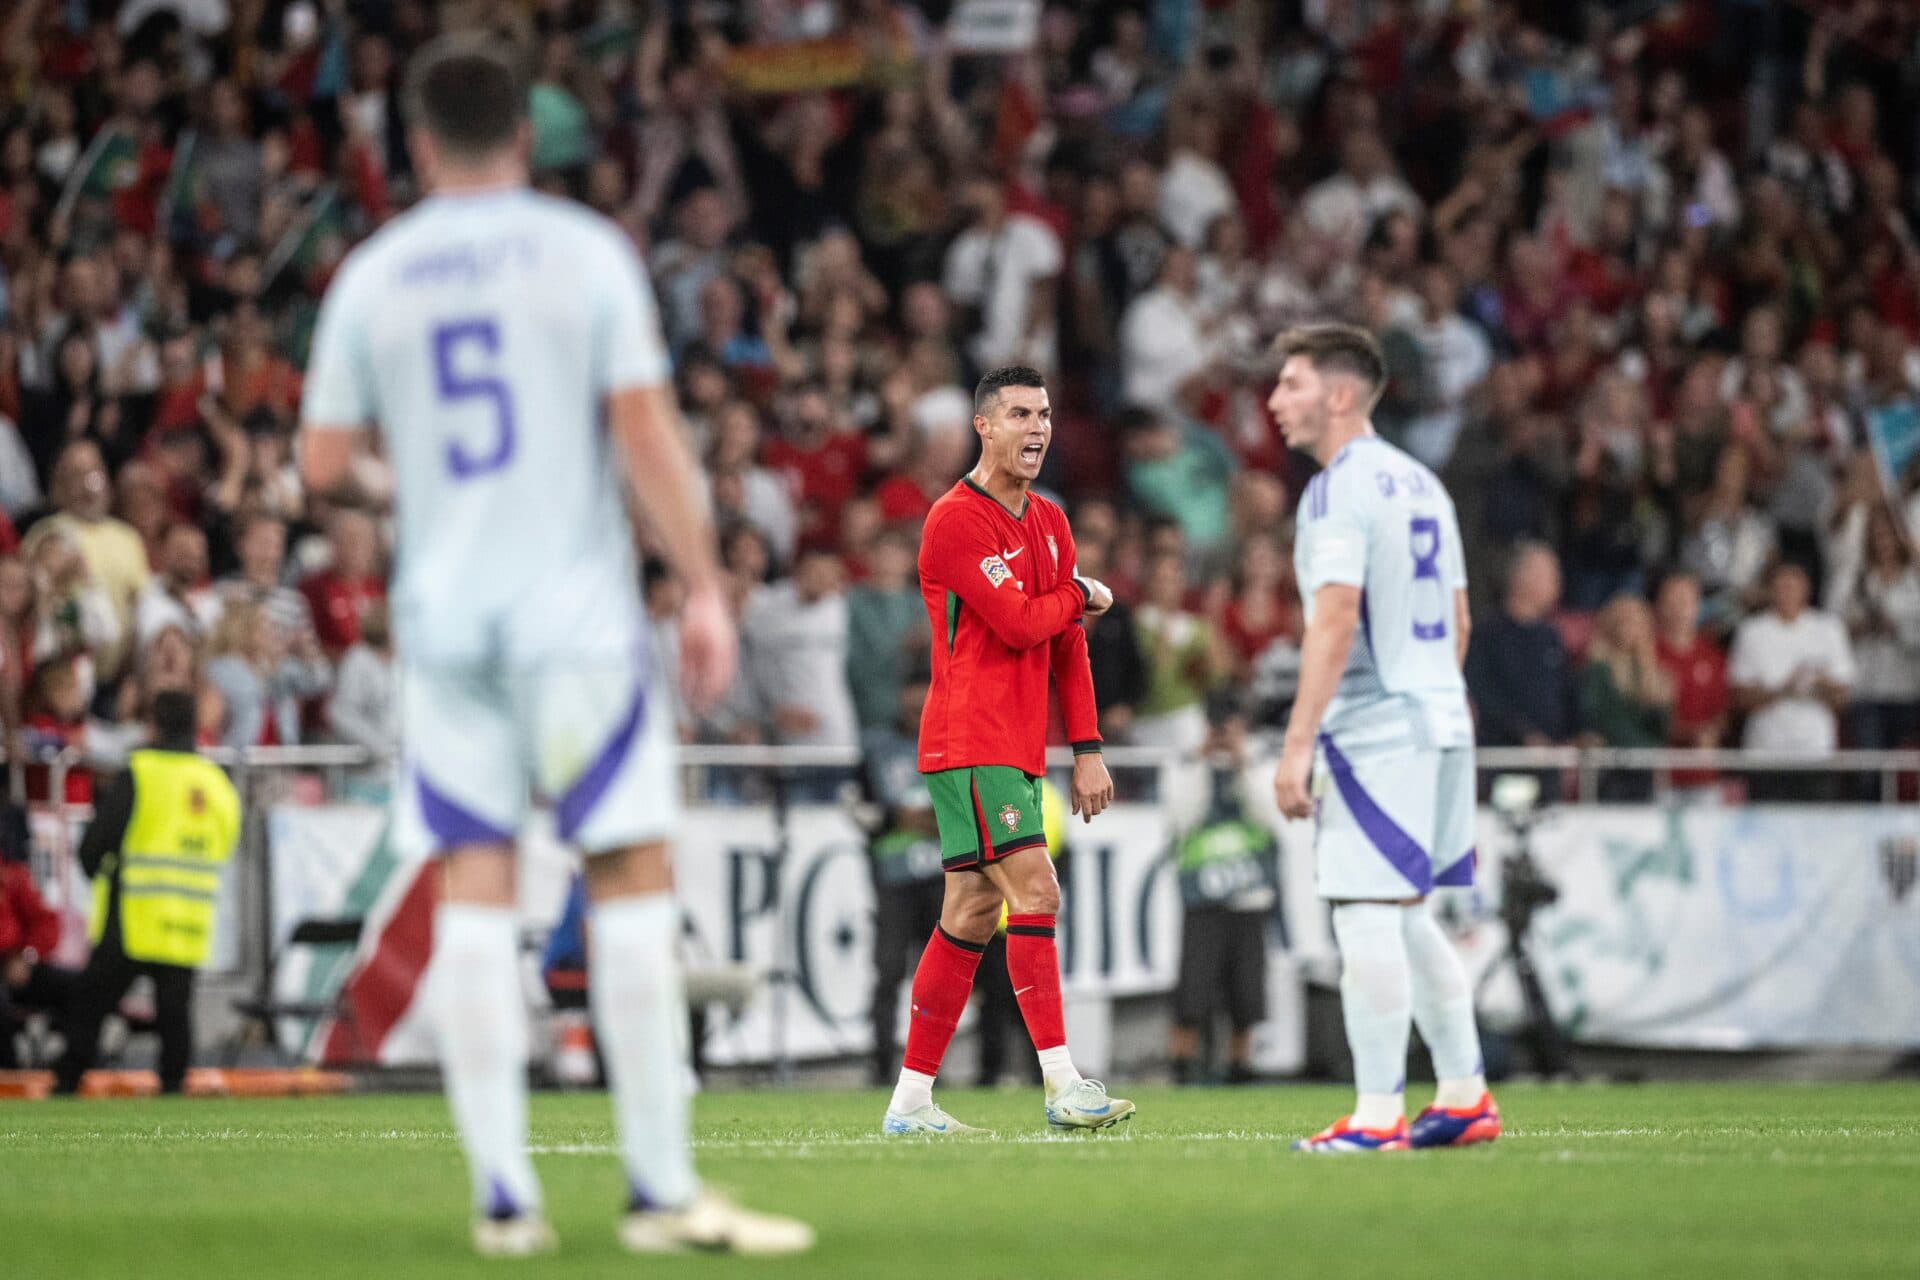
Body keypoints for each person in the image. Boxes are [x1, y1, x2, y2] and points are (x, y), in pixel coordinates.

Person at [297, 35, 810, 1258]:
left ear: (417, 145)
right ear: (526, 135)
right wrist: (702, 584)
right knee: (628, 872)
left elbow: (322, 464)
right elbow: (644, 431)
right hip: (572, 620)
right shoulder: (585, 253)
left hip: (446, 625)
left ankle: (505, 1202)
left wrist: (404, 484)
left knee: (475, 887)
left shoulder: (375, 272)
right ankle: (659, 1192)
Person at [882, 365, 1132, 1136]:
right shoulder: (955, 520)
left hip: (1016, 744)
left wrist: (1086, 748)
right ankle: (1062, 1082)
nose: (1038, 428)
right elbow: (1022, 624)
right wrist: (1083, 593)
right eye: (1020, 414)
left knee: (969, 910)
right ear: (983, 426)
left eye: (1045, 414)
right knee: (1038, 890)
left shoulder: (1051, 521)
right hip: (969, 737)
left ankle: (911, 1102)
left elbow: (1066, 647)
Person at [1267, 324, 1498, 1153]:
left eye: (1292, 383)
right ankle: (1464, 1096)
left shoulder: (1337, 491)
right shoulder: (1423, 481)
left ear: (1338, 395)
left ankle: (1375, 1117)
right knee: (1405, 912)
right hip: (1442, 718)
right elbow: (1461, 619)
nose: (1274, 400)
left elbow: (1335, 616)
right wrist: (1431, 695)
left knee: (1365, 911)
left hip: (1378, 727)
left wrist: (1298, 744)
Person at [54, 691, 241, 1095]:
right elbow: (227, 839)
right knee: (175, 1015)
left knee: (91, 1003)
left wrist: (97, 871)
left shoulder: (142, 772)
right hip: (186, 920)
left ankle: (67, 1081)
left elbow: (98, 840)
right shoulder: (215, 782)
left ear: (153, 726)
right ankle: (173, 1089)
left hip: (133, 916)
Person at [1168, 694, 1279, 1085]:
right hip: (1201, 895)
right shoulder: (1186, 765)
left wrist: (1242, 762)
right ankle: (1182, 1063)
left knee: (1247, 989)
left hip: (1249, 893)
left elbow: (1271, 817)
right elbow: (1180, 819)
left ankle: (1240, 1063)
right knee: (1193, 986)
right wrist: (1202, 762)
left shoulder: (1261, 763)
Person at [861, 670, 945, 1086]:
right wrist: (896, 817)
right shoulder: (877, 748)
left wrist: (915, 818)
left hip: (940, 875)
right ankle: (881, 1067)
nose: (915, 712)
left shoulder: (951, 742)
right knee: (890, 971)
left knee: (936, 979)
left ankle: (929, 1069)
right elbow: (861, 808)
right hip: (893, 878)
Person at [1728, 561, 1855, 802]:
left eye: (1793, 586)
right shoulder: (1752, 631)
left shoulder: (1828, 629)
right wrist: (1784, 689)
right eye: (1781, 587)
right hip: (1765, 753)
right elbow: (1740, 699)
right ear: (1770, 590)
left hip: (1815, 753)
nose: (1787, 593)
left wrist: (1819, 684)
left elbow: (1843, 698)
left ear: (1806, 589)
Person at [1, 841, 72, 1069]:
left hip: (15, 963)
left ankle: (68, 1068)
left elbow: (45, 923)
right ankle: (9, 1072)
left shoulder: (12, 874)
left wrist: (27, 957)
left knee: (78, 987)